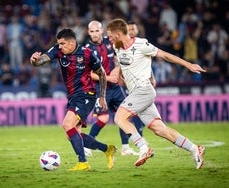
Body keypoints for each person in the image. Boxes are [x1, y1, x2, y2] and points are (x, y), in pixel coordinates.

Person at [106, 18, 206, 169]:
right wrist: (120, 77)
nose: (109, 38)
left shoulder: (141, 44)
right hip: (136, 92)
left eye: (111, 35)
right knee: (159, 129)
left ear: (119, 34)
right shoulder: (117, 47)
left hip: (144, 90)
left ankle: (143, 148)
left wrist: (189, 65)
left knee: (120, 118)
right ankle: (194, 148)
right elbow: (126, 66)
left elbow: (165, 55)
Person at [30, 28, 116, 171]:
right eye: (59, 44)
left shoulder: (88, 54)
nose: (60, 46)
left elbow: (101, 75)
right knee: (72, 135)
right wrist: (34, 60)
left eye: (63, 44)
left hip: (86, 94)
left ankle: (83, 162)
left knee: (67, 124)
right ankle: (107, 149)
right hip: (72, 96)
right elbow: (40, 61)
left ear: (71, 43)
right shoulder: (58, 50)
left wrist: (102, 97)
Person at [84, 20, 145, 156]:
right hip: (100, 88)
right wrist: (108, 78)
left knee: (125, 116)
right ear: (88, 32)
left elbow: (120, 57)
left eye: (97, 30)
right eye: (92, 31)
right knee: (103, 119)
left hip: (116, 87)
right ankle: (87, 146)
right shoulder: (87, 49)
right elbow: (89, 73)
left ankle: (125, 148)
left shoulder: (110, 42)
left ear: (102, 31)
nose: (95, 34)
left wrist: (117, 69)